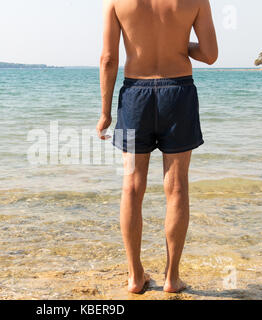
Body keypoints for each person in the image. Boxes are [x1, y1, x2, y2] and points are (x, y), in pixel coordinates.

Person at [96, 0, 218, 294]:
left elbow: (108, 59)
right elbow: (210, 55)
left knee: (131, 186)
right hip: (178, 92)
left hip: (134, 95)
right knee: (176, 187)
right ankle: (172, 278)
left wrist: (105, 112)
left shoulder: (115, 1)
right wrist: (179, 43)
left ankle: (135, 276)